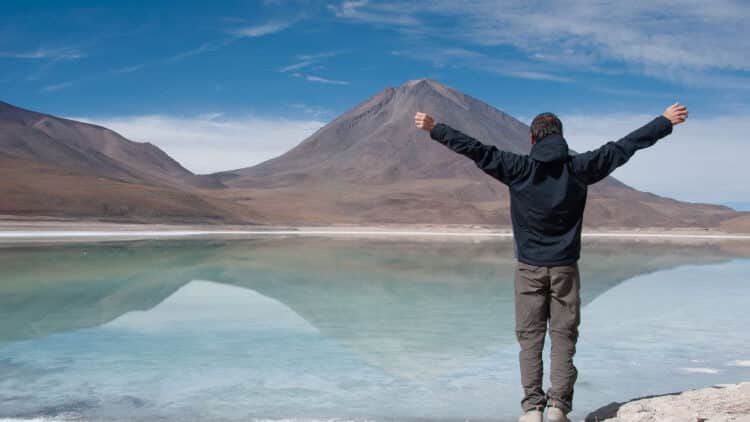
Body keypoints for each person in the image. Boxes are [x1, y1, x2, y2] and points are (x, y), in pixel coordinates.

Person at [414, 103, 688, 422]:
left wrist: (436, 128)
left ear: (532, 140)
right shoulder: (580, 167)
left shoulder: (517, 168)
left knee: (530, 338)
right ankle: (558, 407)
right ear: (561, 138)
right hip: (565, 270)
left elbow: (477, 150)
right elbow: (624, 146)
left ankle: (532, 408)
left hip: (528, 269)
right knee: (563, 337)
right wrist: (664, 122)